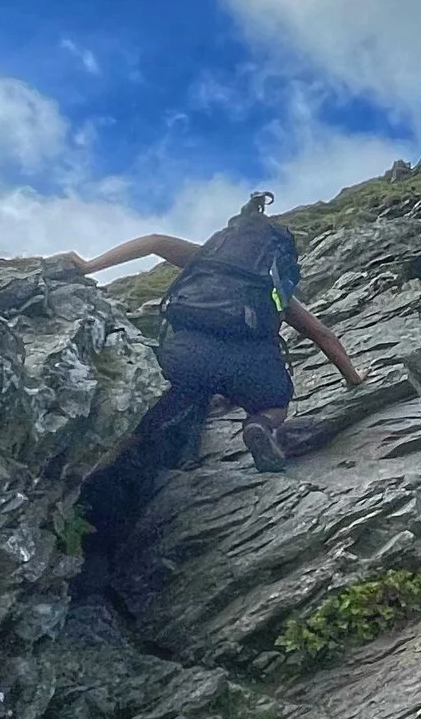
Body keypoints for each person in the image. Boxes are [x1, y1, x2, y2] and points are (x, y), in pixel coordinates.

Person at [76, 194, 364, 509]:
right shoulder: (270, 288)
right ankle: (260, 426)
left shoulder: (205, 260)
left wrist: (89, 266)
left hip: (188, 354)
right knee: (273, 402)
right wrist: (354, 379)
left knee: (160, 409)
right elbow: (323, 335)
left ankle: (92, 475)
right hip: (252, 366)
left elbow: (153, 241)